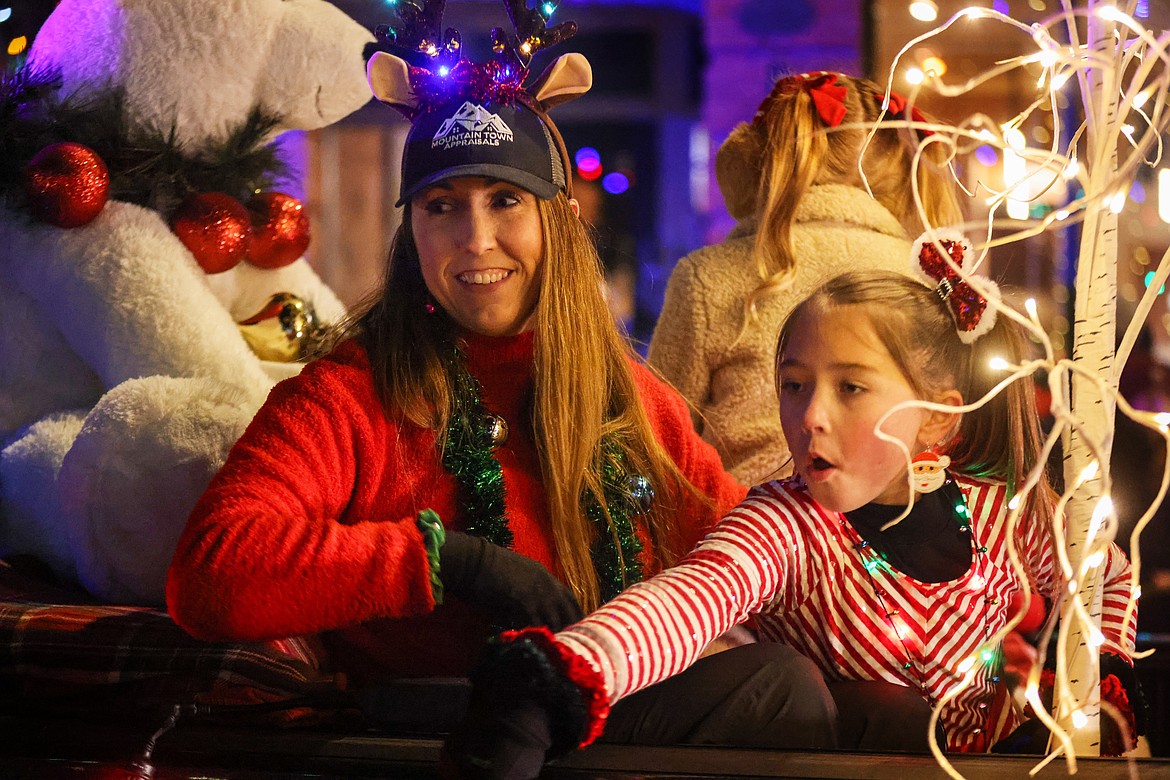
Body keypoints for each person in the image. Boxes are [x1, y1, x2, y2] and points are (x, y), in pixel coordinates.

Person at [162, 5, 806, 734]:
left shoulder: (632, 400)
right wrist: (451, 563)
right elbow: (213, 574)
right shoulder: (349, 396)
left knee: (840, 698)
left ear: (557, 220)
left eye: (505, 201)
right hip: (439, 732)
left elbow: (746, 549)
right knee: (780, 692)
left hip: (607, 716)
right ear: (414, 233)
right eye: (442, 206)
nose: (475, 241)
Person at [447, 249, 1140, 777]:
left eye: (851, 387)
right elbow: (685, 603)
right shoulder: (786, 525)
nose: (810, 417)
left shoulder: (1006, 516)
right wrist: (560, 673)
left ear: (936, 417)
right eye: (794, 385)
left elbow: (1106, 576)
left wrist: (1103, 676)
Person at [648, 71, 963, 485]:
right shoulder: (929, 283)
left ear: (757, 160)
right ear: (893, 164)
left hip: (736, 534)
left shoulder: (707, 278)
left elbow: (656, 442)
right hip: (881, 536)